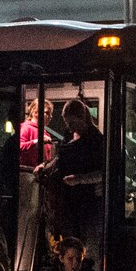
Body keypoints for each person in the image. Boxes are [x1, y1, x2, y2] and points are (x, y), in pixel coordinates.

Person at [35, 99, 103, 244]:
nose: (70, 128)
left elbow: (103, 173)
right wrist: (45, 165)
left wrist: (79, 179)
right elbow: (60, 158)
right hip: (66, 201)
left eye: (72, 123)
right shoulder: (68, 135)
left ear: (82, 118)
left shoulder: (96, 139)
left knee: (84, 243)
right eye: (67, 124)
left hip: (86, 203)